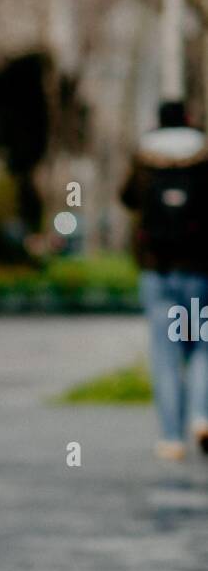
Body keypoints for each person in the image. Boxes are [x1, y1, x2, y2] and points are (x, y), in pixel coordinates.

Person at [120, 100, 208, 460]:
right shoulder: (203, 155)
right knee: (201, 345)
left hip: (157, 270)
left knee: (165, 352)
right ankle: (202, 415)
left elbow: (126, 198)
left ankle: (172, 437)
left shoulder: (144, 157)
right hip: (198, 269)